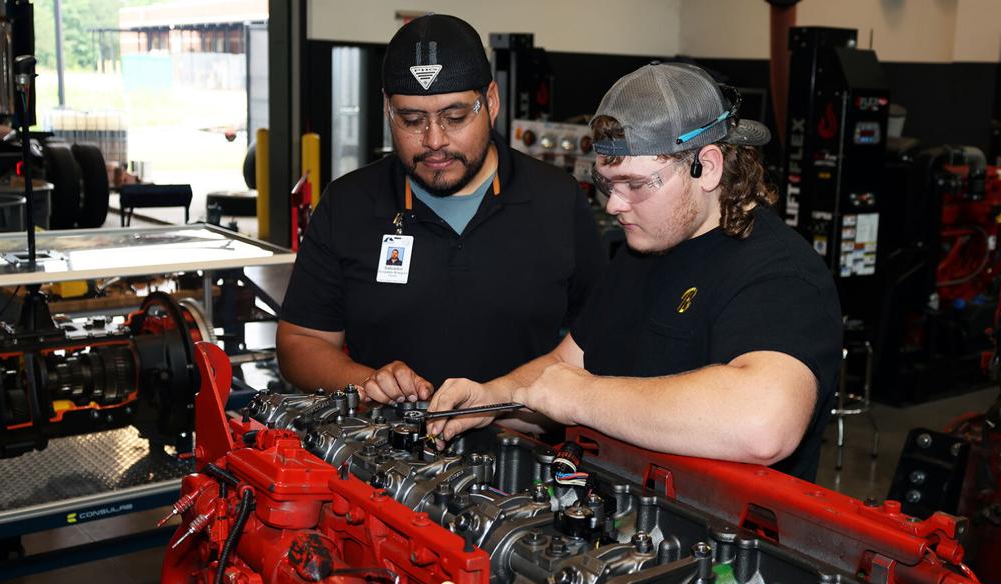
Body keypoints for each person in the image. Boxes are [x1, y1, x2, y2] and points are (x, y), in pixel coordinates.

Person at [428, 62, 843, 481]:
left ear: (708, 167)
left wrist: (583, 397)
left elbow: (763, 425)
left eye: (636, 185)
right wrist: (490, 399)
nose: (614, 205)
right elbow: (565, 365)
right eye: (607, 184)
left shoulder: (780, 274)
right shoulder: (640, 252)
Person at [276, 15, 606, 409]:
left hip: (522, 452)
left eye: (455, 117)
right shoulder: (347, 204)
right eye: (412, 120)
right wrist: (366, 383)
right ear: (387, 110)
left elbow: (601, 335)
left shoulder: (557, 201)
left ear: (492, 102)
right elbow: (301, 342)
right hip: (386, 458)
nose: (434, 140)